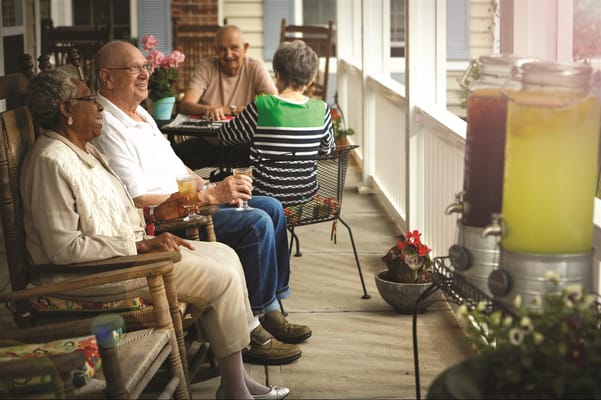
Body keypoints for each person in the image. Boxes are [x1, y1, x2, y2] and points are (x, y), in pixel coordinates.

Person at [21, 67, 290, 400]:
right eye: (91, 99)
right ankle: (235, 388)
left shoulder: (85, 152)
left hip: (125, 258)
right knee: (219, 276)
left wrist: (152, 219)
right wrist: (138, 244)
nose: (100, 106)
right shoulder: (50, 162)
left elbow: (114, 211)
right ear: (66, 110)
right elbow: (63, 250)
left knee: (226, 255)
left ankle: (235, 381)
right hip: (100, 274)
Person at [92, 40, 310, 365]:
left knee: (272, 207)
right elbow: (140, 200)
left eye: (145, 66)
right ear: (106, 78)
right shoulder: (108, 126)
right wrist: (206, 196)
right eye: (133, 68)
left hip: (193, 200)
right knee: (257, 222)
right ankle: (253, 328)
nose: (144, 74)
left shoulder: (140, 114)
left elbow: (177, 165)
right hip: (173, 217)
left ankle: (271, 306)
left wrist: (207, 183)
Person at [218, 40, 335, 206]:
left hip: (264, 193)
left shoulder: (262, 104)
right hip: (304, 194)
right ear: (310, 80)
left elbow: (226, 137)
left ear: (278, 74)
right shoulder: (322, 109)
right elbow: (327, 150)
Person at [177, 25, 278, 169]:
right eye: (222, 49)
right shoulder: (206, 67)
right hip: (209, 143)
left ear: (245, 47)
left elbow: (272, 102)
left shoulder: (256, 67)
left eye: (234, 48)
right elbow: (186, 104)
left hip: (245, 143)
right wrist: (207, 108)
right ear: (215, 50)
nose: (228, 54)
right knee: (175, 155)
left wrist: (228, 110)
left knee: (268, 154)